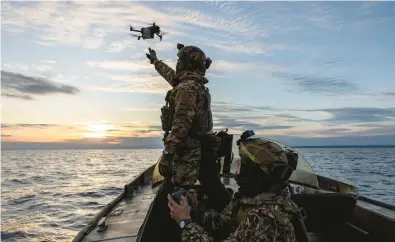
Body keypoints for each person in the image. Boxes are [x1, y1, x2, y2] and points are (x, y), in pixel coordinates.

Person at [167, 131, 307, 242]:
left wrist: (185, 223)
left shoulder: (267, 218)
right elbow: (227, 225)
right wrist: (196, 210)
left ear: (254, 173)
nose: (237, 165)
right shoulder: (250, 198)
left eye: (243, 163)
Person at [146, 44, 213, 189]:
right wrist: (155, 62)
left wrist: (167, 154)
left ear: (187, 63)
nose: (177, 64)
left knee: (179, 190)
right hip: (198, 146)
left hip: (187, 151)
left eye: (180, 60)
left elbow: (181, 125)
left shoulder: (186, 89)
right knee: (210, 184)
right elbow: (171, 75)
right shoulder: (192, 83)